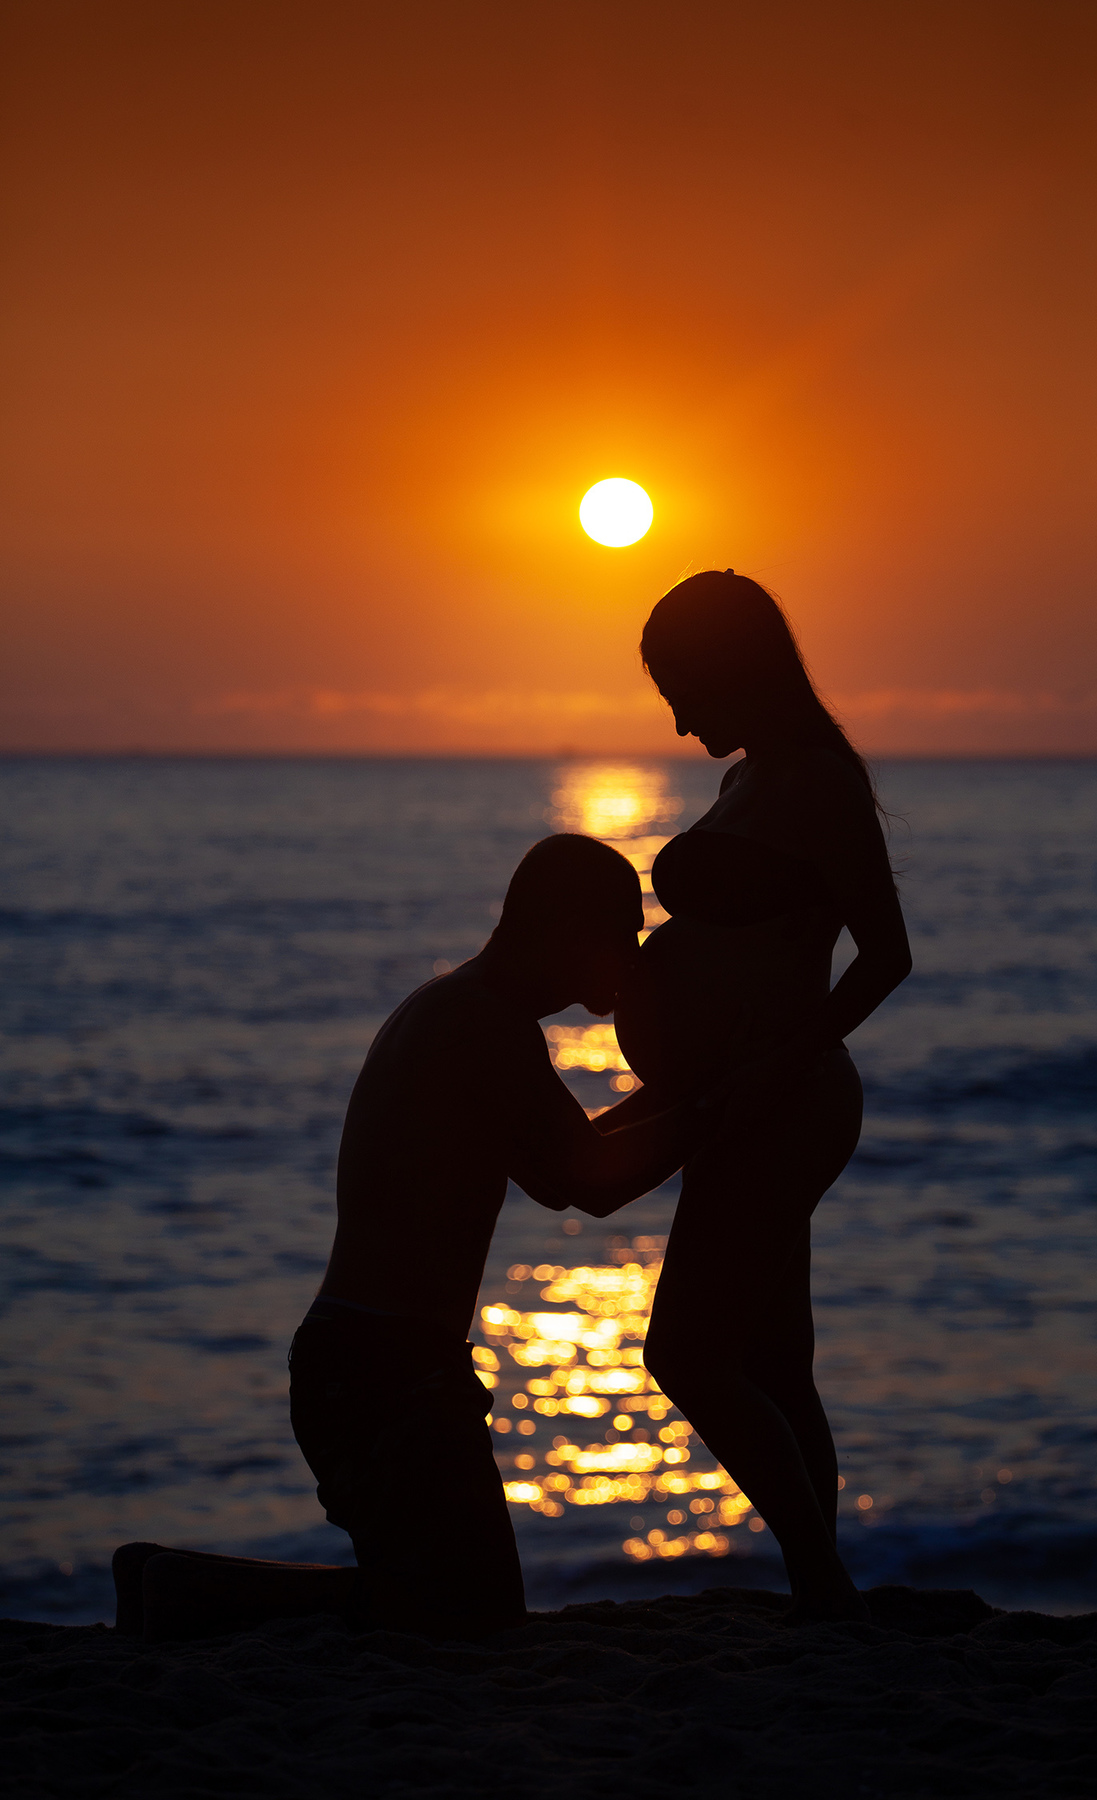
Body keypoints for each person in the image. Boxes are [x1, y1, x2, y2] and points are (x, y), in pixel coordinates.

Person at [116, 834, 711, 1642]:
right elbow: (592, 1183)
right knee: (470, 1619)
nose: (632, 958)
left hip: (374, 1361)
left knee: (439, 1598)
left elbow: (560, 1167)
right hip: (385, 1370)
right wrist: (722, 1105)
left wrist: (686, 1099)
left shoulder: (462, 1009)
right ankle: (179, 1586)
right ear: (569, 930)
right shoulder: (483, 1023)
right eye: (622, 934)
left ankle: (172, 1581)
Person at [613, 570, 912, 1623]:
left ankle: (822, 1586)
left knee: (685, 1354)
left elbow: (886, 956)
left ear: (735, 670)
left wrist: (773, 1064)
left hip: (782, 1106)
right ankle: (821, 1596)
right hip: (741, 1103)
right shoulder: (750, 779)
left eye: (684, 690)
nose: (678, 719)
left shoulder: (820, 783)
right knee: (778, 1368)